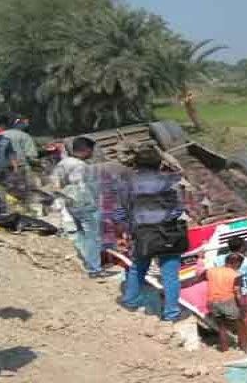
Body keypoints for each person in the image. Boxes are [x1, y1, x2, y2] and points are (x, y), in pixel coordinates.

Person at [116, 146, 185, 320]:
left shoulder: (127, 184)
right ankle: (171, 312)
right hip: (169, 232)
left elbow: (120, 211)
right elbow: (178, 209)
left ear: (136, 165)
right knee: (170, 275)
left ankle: (130, 301)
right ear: (159, 164)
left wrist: (127, 229)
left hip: (142, 232)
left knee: (138, 267)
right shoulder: (170, 182)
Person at [52, 137, 104, 278]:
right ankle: (95, 269)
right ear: (86, 150)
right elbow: (82, 187)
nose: (92, 153)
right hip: (84, 204)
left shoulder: (63, 163)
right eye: (92, 150)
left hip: (70, 203)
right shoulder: (81, 166)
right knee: (92, 236)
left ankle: (86, 260)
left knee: (81, 233)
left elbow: (56, 183)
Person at [203, 253, 247, 352]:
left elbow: (197, 279)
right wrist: (242, 308)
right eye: (240, 264)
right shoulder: (236, 275)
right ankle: (244, 348)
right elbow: (237, 293)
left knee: (221, 327)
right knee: (240, 325)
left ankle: (225, 349)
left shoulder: (211, 271)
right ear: (237, 263)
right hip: (228, 301)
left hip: (212, 302)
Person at [213, 237, 247, 327]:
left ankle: (236, 331)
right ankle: (246, 332)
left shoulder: (217, 259)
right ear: (242, 247)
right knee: (245, 312)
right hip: (242, 292)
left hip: (224, 292)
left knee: (230, 315)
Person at [0, 126, 18, 216]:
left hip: (1, 169)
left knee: (0, 189)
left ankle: (1, 208)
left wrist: (15, 166)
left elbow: (11, 153)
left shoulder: (6, 141)